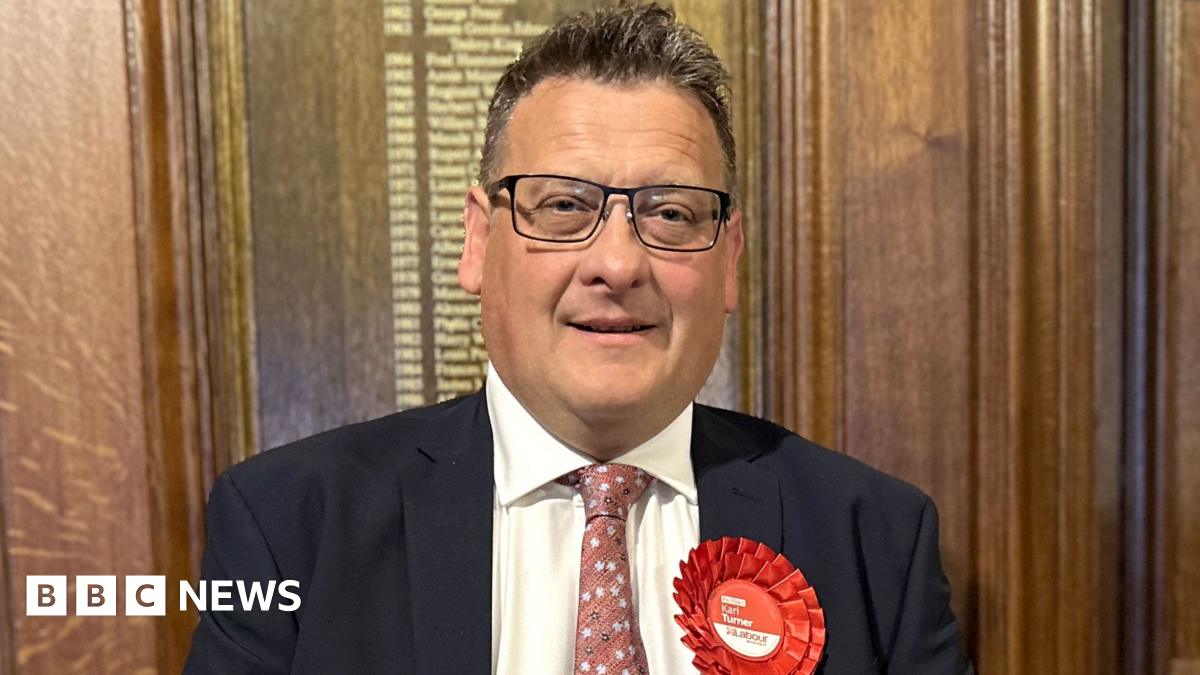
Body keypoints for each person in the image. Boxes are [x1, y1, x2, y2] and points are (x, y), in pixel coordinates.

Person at [184, 4, 972, 674]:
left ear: (728, 259)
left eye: (670, 212)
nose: (619, 262)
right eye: (563, 206)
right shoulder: (288, 526)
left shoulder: (876, 540)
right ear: (478, 241)